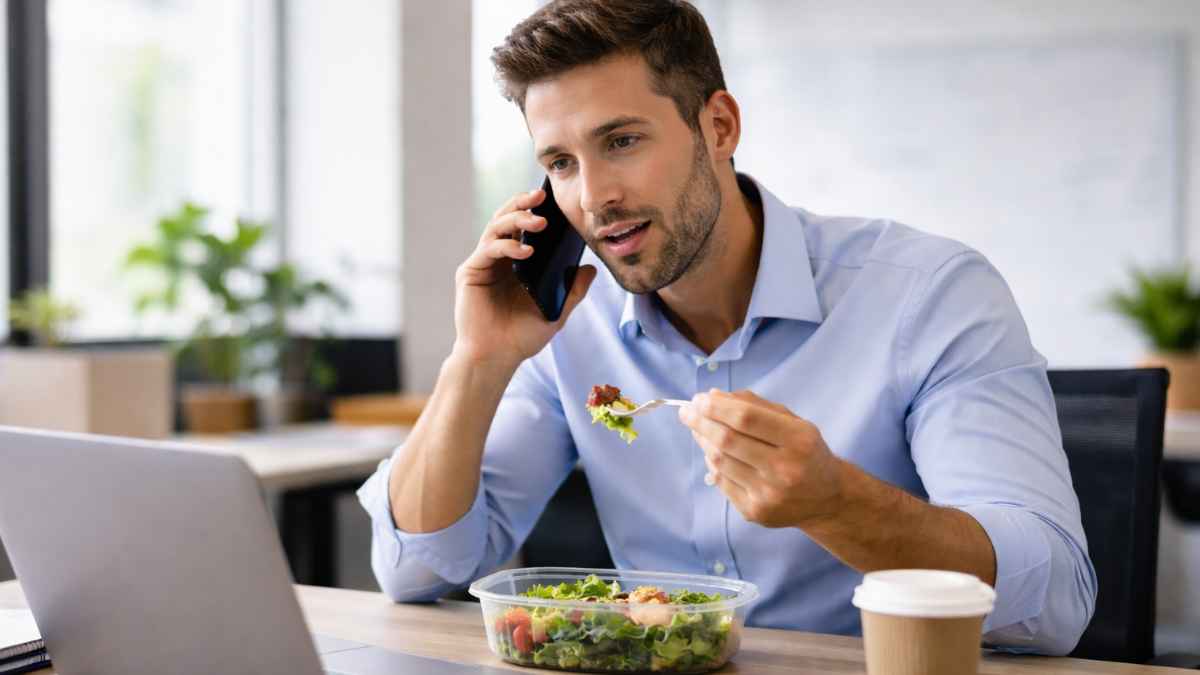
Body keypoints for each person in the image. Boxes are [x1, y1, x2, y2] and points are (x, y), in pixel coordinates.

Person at [357, 0, 1096, 655]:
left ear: (718, 125)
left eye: (621, 141)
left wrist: (835, 501)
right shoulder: (568, 329)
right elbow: (418, 567)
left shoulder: (930, 294)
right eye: (560, 162)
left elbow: (1056, 598)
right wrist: (476, 360)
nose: (594, 197)